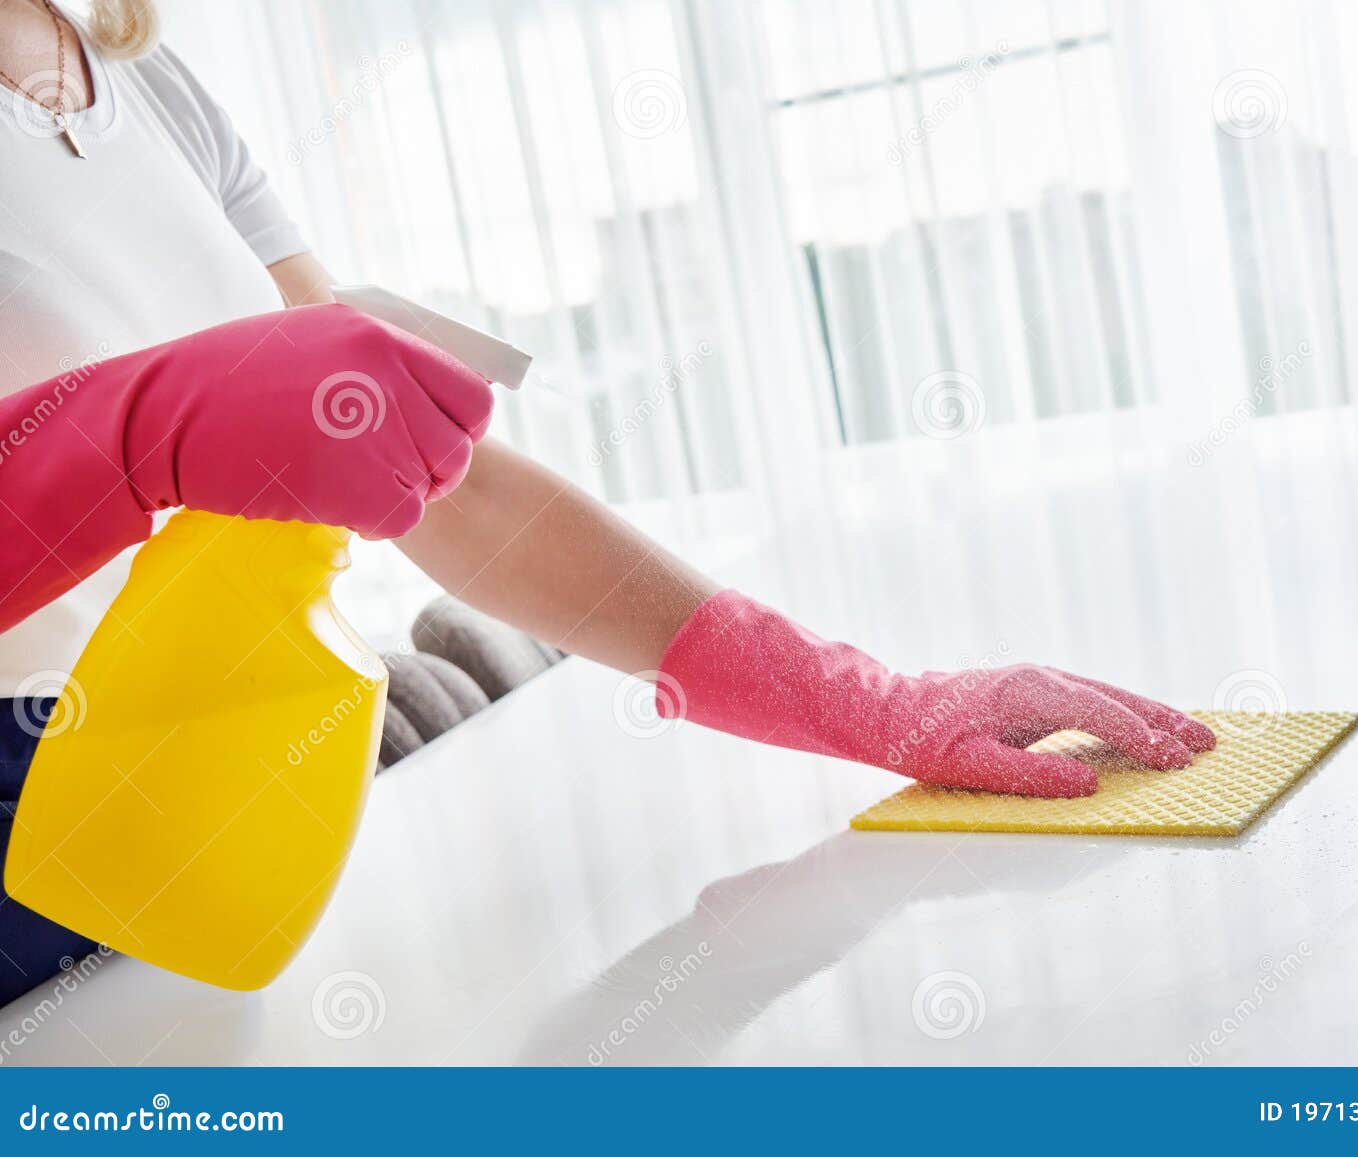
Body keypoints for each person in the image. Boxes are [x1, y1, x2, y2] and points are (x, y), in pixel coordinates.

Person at [0, 0, 1214, 1008]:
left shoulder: (141, 80)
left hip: (207, 757)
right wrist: (134, 429)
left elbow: (424, 481)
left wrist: (875, 703)